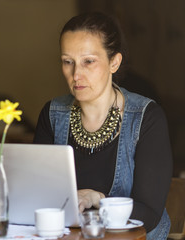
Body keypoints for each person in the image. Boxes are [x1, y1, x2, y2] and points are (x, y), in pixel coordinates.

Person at [33, 12, 172, 240]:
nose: (76, 74)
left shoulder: (147, 118)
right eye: (68, 62)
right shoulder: (52, 114)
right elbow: (38, 196)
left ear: (114, 62)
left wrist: (98, 199)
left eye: (88, 61)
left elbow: (149, 215)